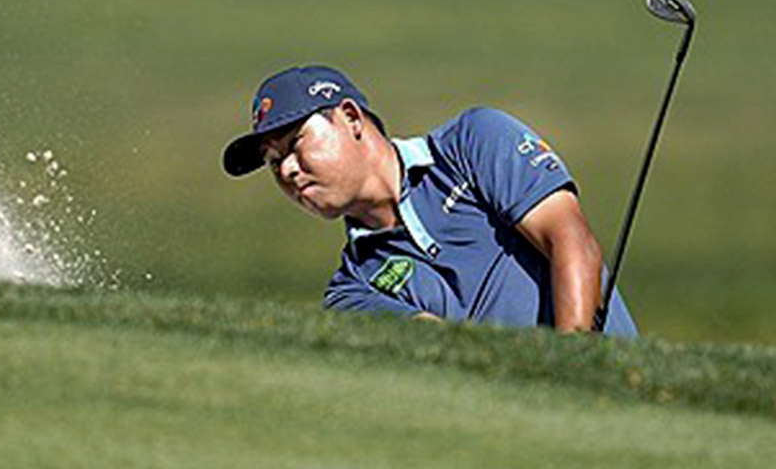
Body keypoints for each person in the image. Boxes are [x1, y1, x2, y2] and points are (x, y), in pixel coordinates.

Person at [222, 65, 637, 336]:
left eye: (295, 145)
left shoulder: (473, 143)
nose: (287, 171)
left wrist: (575, 367)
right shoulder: (352, 290)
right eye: (274, 163)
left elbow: (571, 242)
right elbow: (447, 354)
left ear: (350, 117)